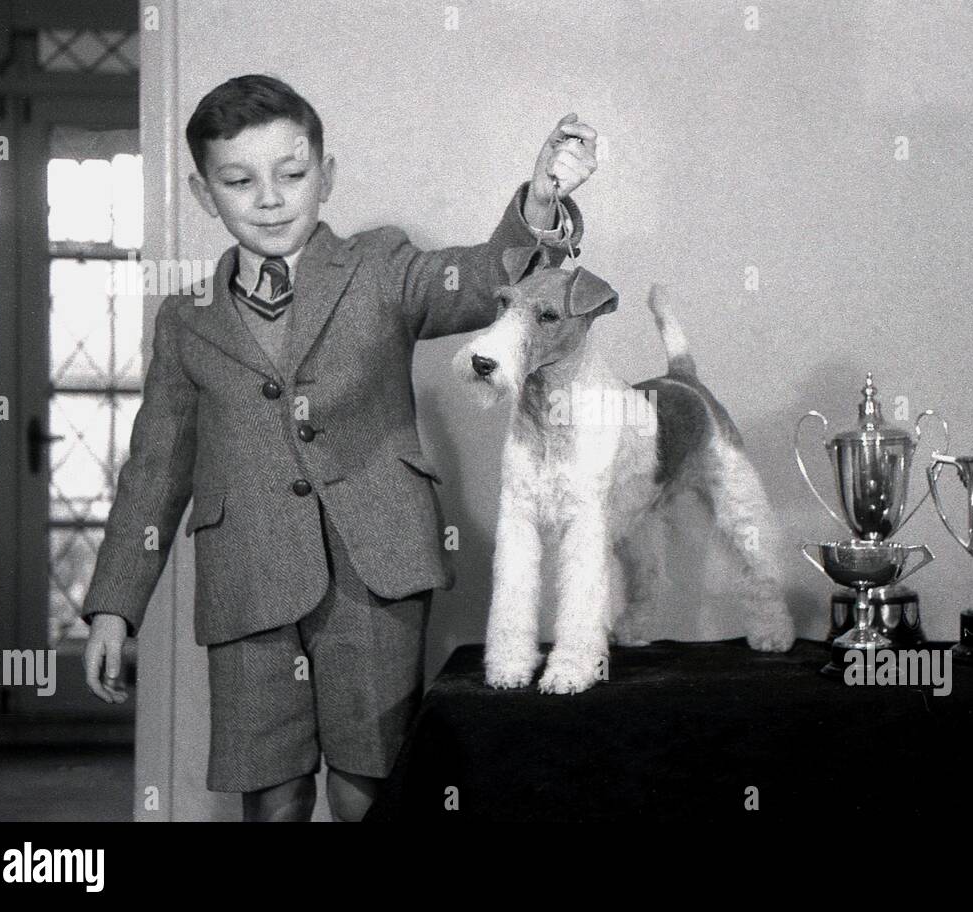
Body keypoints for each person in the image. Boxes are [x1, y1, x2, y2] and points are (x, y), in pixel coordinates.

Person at [79, 74, 596, 821]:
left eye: (291, 175)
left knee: (370, 781)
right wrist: (113, 609)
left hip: (375, 569)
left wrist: (542, 201)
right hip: (247, 578)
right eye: (238, 180)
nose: (269, 197)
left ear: (327, 177)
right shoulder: (185, 318)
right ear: (201, 194)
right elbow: (155, 470)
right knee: (273, 790)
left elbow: (487, 277)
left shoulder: (382, 267)